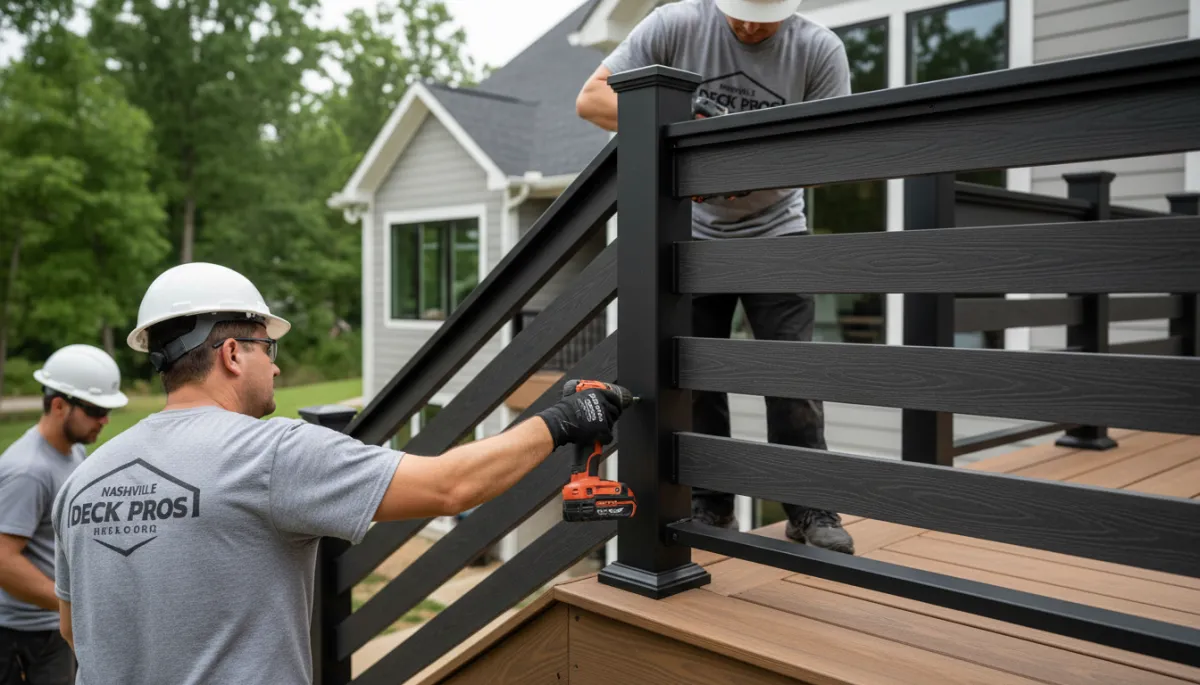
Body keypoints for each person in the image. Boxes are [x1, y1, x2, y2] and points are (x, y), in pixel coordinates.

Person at [50, 262, 629, 684]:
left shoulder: (85, 479)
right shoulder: (270, 454)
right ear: (231, 354)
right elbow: (451, 485)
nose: (274, 368)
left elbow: (75, 632)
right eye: (265, 349)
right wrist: (564, 418)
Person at [575, 0, 855, 554]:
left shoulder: (819, 50)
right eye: (742, 12)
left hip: (777, 230)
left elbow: (834, 153)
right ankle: (711, 503)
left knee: (791, 376)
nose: (752, 25)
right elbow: (592, 99)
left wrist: (743, 164)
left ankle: (809, 505)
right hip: (691, 231)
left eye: (765, 15)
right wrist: (684, 135)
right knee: (696, 378)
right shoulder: (675, 24)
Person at [0, 345, 127, 684]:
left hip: (54, 625)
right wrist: (74, 601)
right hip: (22, 637)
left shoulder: (73, 453)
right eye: (95, 409)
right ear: (58, 406)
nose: (105, 419)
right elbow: (3, 560)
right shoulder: (28, 470)